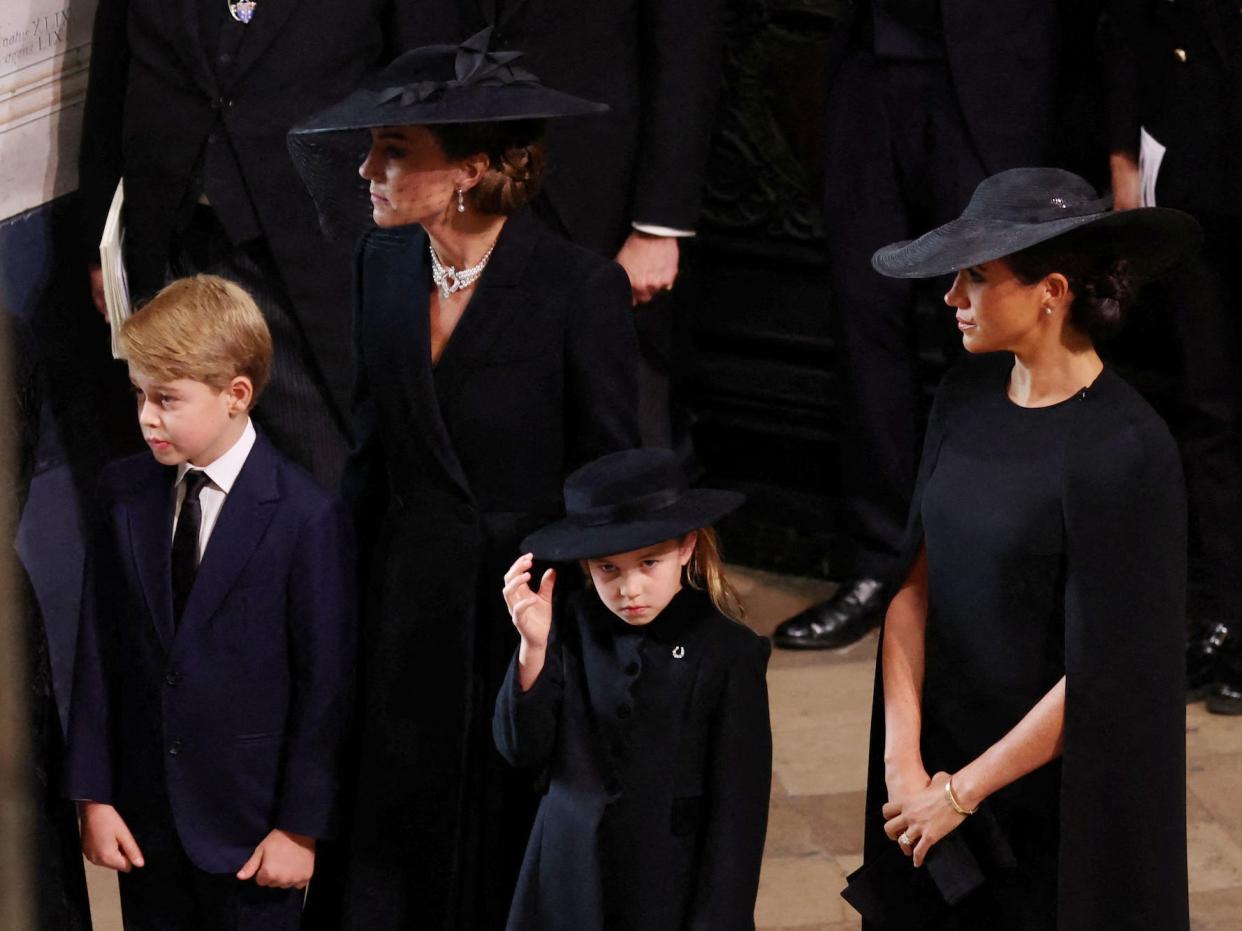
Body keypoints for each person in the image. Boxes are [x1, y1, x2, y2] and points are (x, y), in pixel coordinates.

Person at [288, 32, 641, 928]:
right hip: (403, 612)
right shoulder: (383, 263)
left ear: (470, 170)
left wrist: (572, 643)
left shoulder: (577, 288)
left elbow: (607, 480)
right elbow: (371, 446)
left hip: (515, 617)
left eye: (394, 151)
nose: (367, 169)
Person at [841, 168, 1196, 928]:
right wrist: (904, 763)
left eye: (975, 276)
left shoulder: (1128, 449)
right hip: (937, 772)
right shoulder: (961, 400)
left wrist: (963, 791)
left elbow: (1108, 672)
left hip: (1053, 804)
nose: (952, 298)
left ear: (1052, 290)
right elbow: (912, 585)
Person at [64, 275, 357, 930]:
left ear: (237, 395)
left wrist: (299, 827)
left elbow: (326, 687)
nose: (145, 416)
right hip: (147, 825)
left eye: (166, 398)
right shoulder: (123, 493)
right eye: (138, 394)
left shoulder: (307, 516)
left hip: (253, 836)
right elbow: (98, 651)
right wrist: (94, 795)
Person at [775, 0, 1060, 651]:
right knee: (864, 318)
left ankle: (992, 574)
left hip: (996, 70)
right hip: (870, 63)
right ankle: (881, 566)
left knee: (993, 326)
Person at [77, 0, 426, 487]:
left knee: (322, 457)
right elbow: (112, 76)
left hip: (316, 241)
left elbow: (425, 73)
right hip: (173, 234)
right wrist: (98, 242)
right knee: (193, 464)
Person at [494, 447, 771, 930]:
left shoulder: (731, 654)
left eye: (649, 563)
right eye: (609, 569)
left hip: (664, 889)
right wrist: (532, 649)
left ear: (687, 547)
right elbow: (521, 750)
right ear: (586, 566)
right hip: (564, 876)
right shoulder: (565, 626)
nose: (630, 590)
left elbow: (738, 816)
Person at [433, 0, 725, 447]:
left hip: (600, 199)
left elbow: (687, 48)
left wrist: (659, 225)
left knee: (623, 450)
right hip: (454, 177)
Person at [1103, 0, 1242, 714]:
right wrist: (1123, 159)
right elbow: (1131, 23)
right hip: (1193, 160)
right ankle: (1228, 612)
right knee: (1209, 405)